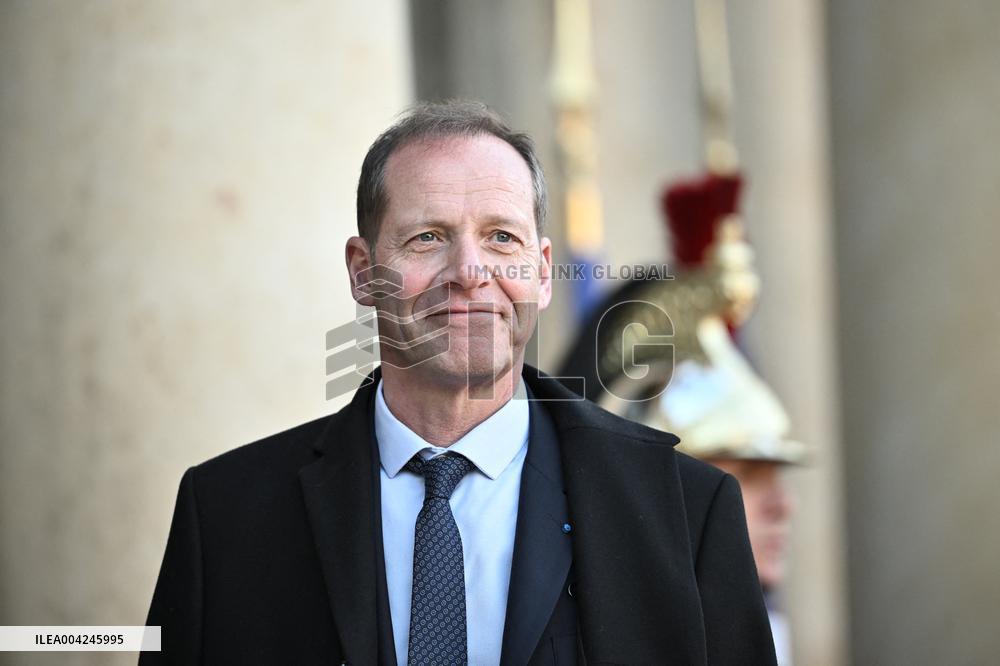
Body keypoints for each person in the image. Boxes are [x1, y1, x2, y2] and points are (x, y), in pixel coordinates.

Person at [142, 100, 776, 665]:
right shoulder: (226, 515)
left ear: (544, 272)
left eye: (501, 238)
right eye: (428, 238)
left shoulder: (687, 512)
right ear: (364, 273)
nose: (470, 271)